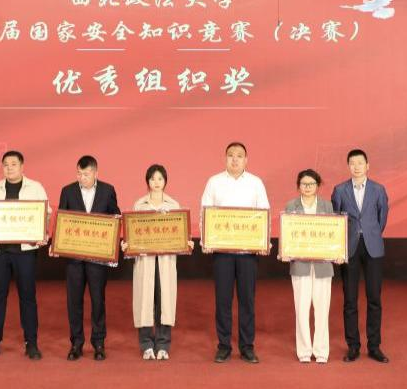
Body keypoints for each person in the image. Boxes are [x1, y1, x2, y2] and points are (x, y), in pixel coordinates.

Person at [201, 142, 270, 364]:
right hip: (222, 251)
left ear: (246, 160)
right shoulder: (214, 182)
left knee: (247, 300)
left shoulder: (256, 183)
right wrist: (206, 240)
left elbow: (264, 213)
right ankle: (223, 346)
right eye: (231, 155)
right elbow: (205, 213)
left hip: (248, 252)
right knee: (223, 300)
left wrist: (264, 242)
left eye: (239, 156)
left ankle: (247, 346)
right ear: (225, 158)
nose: (235, 159)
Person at [0, 150, 50, 361]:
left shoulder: (35, 188)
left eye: (13, 164)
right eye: (6, 165)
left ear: (22, 166)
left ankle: (31, 342)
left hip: (25, 251)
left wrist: (42, 233)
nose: (9, 168)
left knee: (28, 297)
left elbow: (45, 214)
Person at [123, 164, 193, 361]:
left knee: (164, 302)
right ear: (147, 181)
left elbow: (180, 233)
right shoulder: (139, 205)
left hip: (165, 262)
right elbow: (132, 234)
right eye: (153, 178)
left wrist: (186, 243)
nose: (156, 182)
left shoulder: (174, 205)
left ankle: (163, 345)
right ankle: (146, 344)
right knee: (145, 301)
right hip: (145, 262)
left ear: (165, 181)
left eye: (160, 178)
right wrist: (127, 244)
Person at [58, 155, 120, 361]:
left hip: (97, 258)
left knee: (98, 300)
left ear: (95, 173)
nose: (82, 177)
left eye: (86, 174)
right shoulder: (67, 191)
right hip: (74, 258)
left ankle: (98, 343)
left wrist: (115, 224)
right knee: (74, 301)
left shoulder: (107, 190)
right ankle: (76, 343)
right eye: (79, 173)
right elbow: (62, 220)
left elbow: (115, 216)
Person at [331, 149, 389, 364]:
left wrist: (371, 233)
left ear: (367, 166)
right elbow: (336, 220)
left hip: (373, 247)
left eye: (360, 163)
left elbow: (382, 217)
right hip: (349, 248)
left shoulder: (378, 189)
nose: (356, 167)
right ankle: (353, 346)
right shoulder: (340, 190)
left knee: (374, 298)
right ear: (348, 166)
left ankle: (374, 346)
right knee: (350, 299)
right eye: (352, 163)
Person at [282, 169, 341, 364]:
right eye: (304, 184)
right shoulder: (291, 205)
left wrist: (338, 252)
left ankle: (321, 351)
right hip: (300, 265)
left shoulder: (327, 205)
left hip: (323, 265)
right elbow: (286, 233)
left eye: (311, 184)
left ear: (318, 185)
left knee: (322, 309)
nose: (307, 187)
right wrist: (285, 250)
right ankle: (304, 351)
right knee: (301, 308)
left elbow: (334, 233)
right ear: (298, 186)